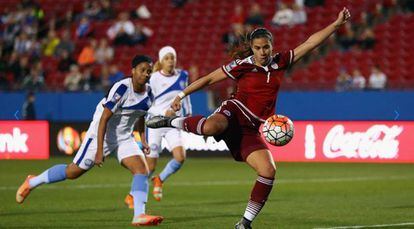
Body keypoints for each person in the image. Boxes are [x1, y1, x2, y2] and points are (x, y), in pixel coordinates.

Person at [146, 8, 351, 229]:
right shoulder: (242, 65)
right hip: (234, 112)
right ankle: (169, 121)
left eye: (266, 47)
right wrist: (181, 94)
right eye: (257, 48)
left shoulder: (281, 61)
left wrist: (335, 25)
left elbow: (310, 43)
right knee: (213, 126)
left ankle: (244, 223)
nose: (262, 52)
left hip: (251, 129)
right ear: (252, 48)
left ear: (272, 46)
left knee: (268, 170)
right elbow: (208, 79)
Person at [16, 55, 164, 227]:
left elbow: (140, 115)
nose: (145, 74)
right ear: (132, 71)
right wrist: (100, 150)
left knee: (141, 169)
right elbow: (104, 119)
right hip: (101, 133)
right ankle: (32, 182)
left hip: (124, 136)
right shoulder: (122, 89)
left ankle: (139, 215)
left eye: (148, 71)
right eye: (142, 70)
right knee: (73, 172)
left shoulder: (150, 94)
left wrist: (143, 139)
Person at [124, 46, 191, 208]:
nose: (170, 61)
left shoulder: (183, 75)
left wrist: (188, 115)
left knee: (180, 157)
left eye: (172, 58)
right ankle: (133, 194)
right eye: (167, 58)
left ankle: (160, 180)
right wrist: (163, 113)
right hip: (155, 124)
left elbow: (186, 97)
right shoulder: (152, 78)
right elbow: (146, 104)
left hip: (174, 123)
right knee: (150, 166)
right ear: (161, 61)